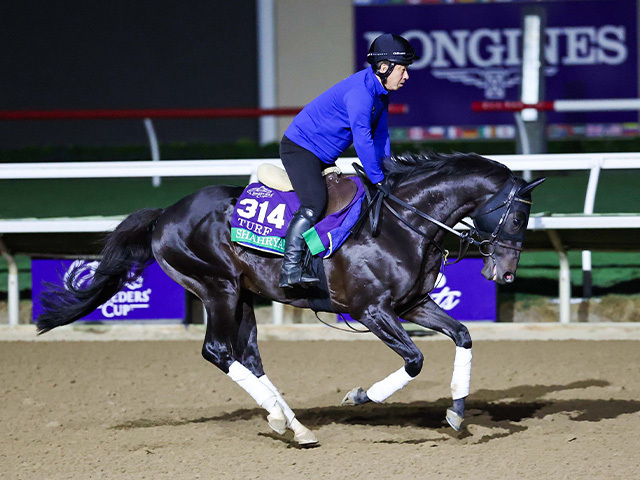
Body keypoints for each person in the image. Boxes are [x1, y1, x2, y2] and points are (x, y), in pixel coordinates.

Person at [278, 33, 417, 289]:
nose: (407, 76)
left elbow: (381, 135)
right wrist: (377, 179)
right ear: (384, 67)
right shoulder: (361, 93)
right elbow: (362, 140)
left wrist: (389, 171)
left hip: (319, 153)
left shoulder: (380, 92)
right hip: (300, 149)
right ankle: (290, 270)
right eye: (403, 69)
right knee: (315, 203)